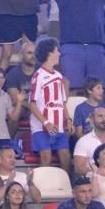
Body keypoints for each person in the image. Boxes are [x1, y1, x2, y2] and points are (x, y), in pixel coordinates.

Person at [28, 37, 72, 169]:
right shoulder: (38, 75)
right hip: (42, 127)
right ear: (49, 53)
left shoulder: (59, 76)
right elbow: (32, 103)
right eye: (57, 50)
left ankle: (68, 187)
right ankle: (42, 187)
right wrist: (46, 123)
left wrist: (68, 119)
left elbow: (62, 101)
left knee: (66, 158)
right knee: (46, 157)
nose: (59, 53)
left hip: (58, 126)